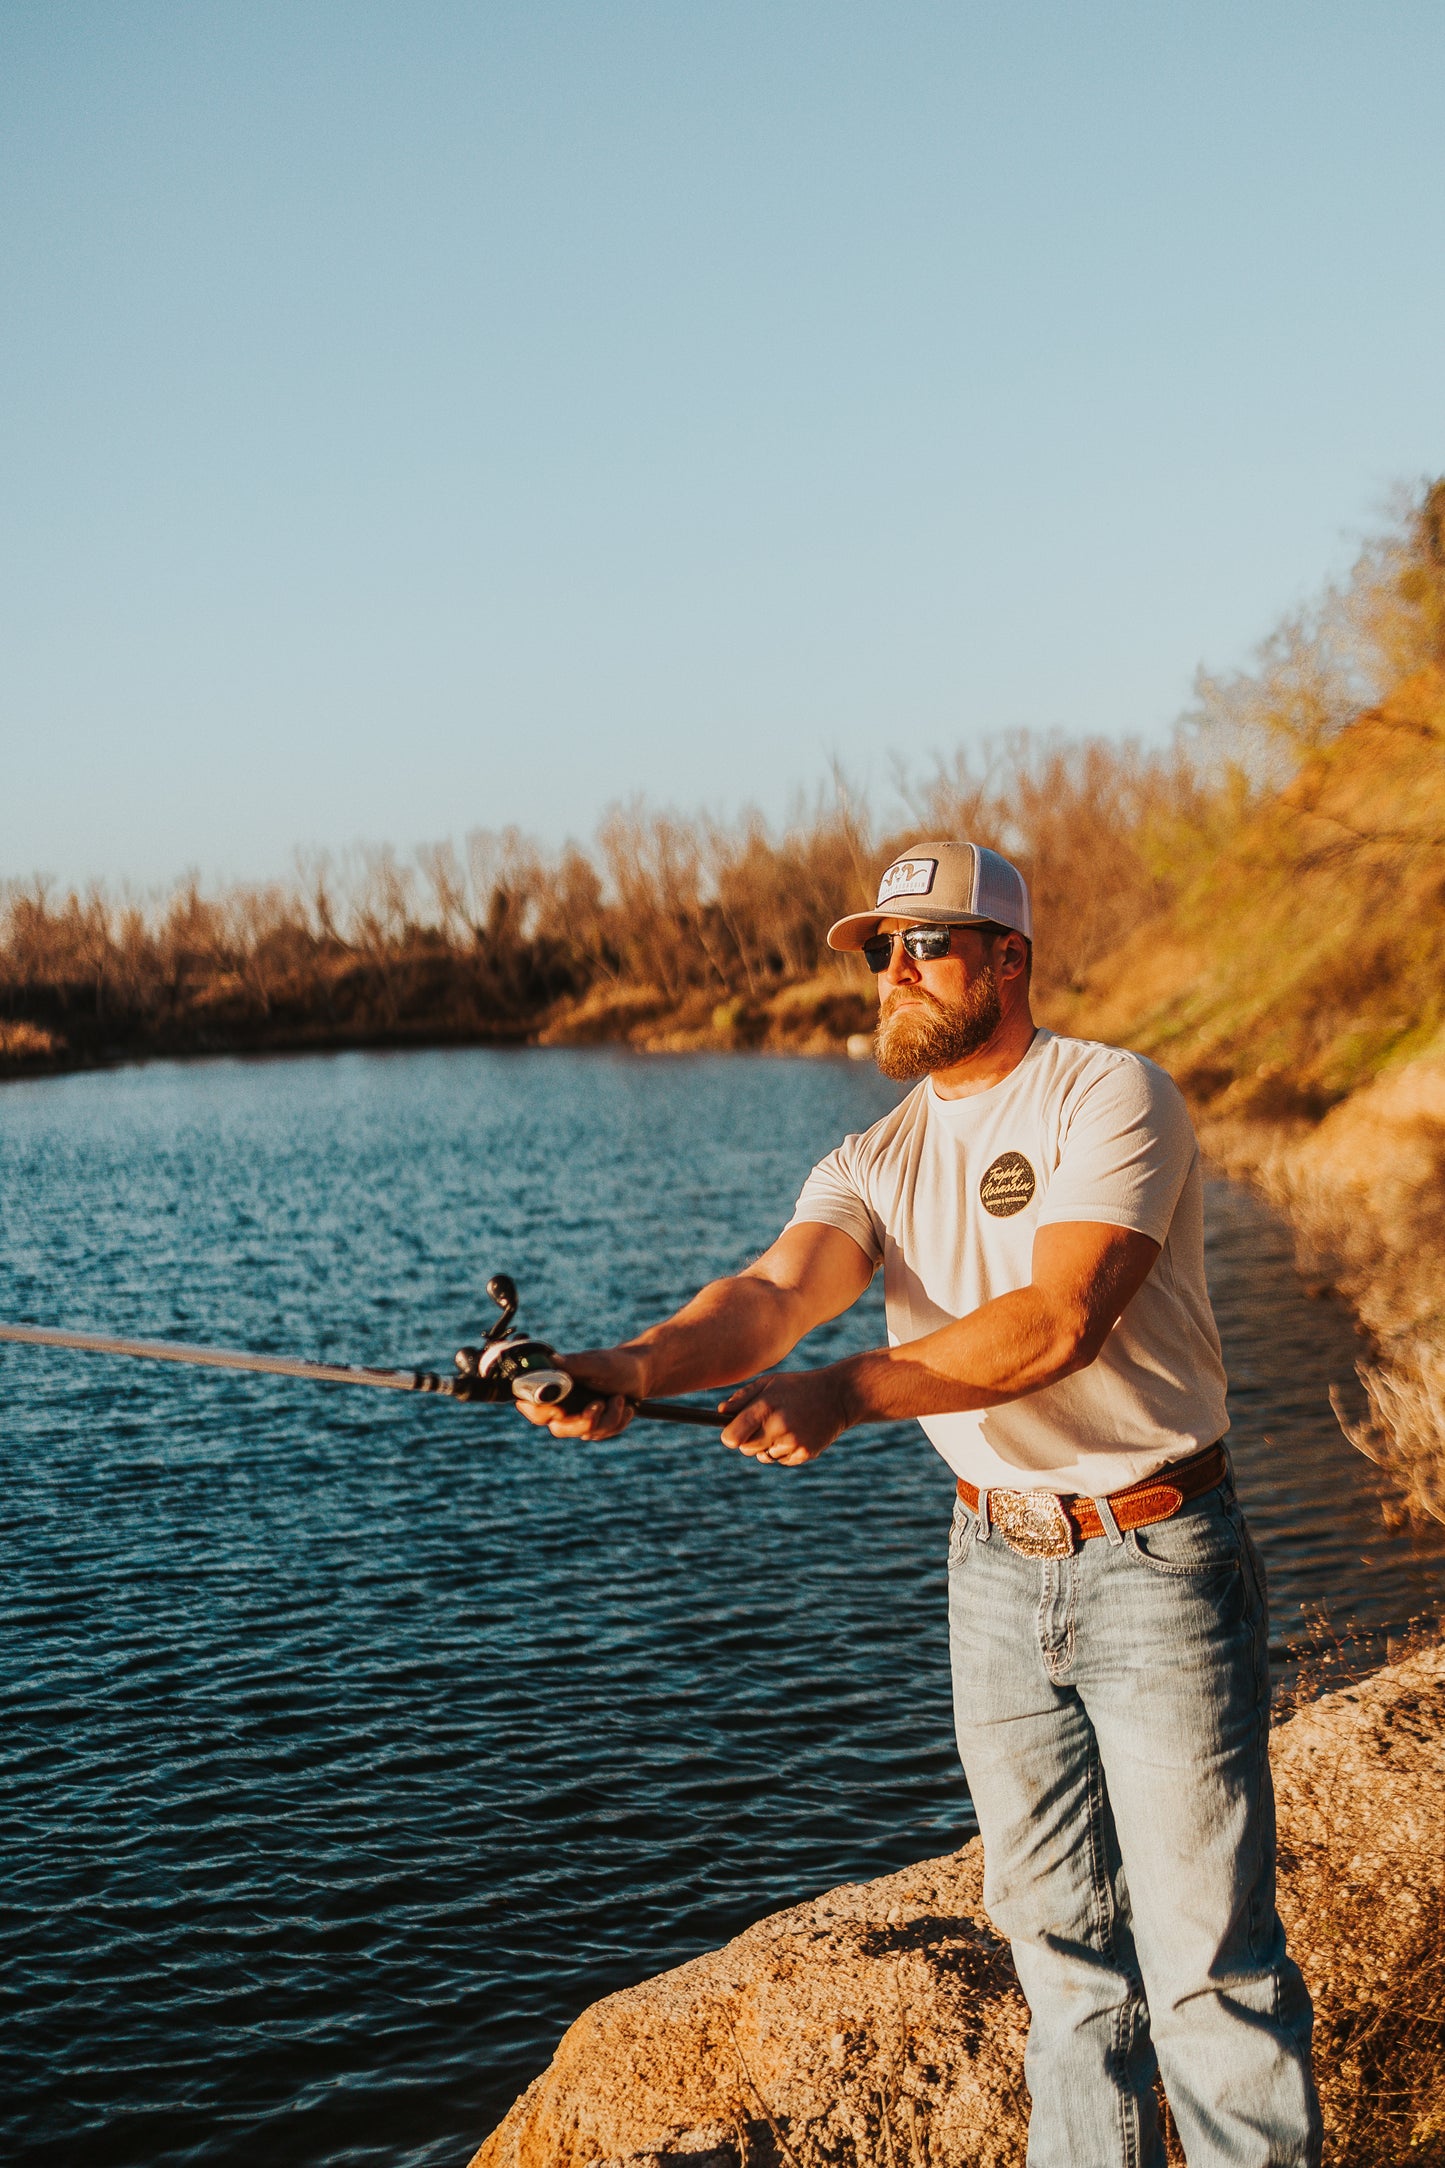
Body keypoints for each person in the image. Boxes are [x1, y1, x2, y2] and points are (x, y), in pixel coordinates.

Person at [518, 838, 1321, 2168]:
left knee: (1208, 1973)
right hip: (992, 1568)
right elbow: (770, 1298)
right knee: (1058, 1956)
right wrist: (627, 1366)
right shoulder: (874, 1152)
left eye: (925, 944)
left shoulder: (1112, 1096)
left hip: (1155, 1555)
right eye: (877, 951)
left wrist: (839, 1396)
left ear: (1008, 957)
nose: (892, 971)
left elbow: (1058, 1318)